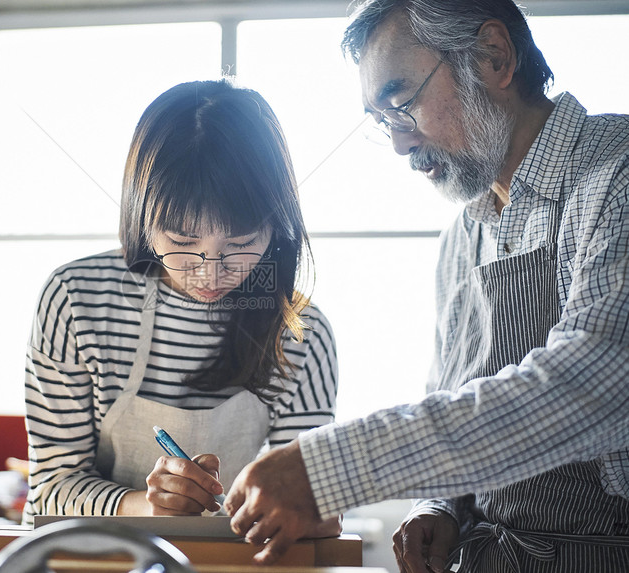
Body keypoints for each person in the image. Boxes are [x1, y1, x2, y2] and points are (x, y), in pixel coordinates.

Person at [224, 1, 629, 570]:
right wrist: (440, 505)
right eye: (381, 121)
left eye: (402, 103)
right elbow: (454, 393)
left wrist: (325, 467)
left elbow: (591, 387)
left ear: (494, 56)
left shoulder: (619, 177)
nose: (399, 144)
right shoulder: (464, 234)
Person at [22, 79, 339, 522]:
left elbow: (311, 494)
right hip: (87, 554)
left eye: (242, 242)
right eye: (183, 241)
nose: (210, 273)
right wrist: (144, 506)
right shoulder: (77, 299)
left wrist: (312, 507)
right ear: (142, 219)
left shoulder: (302, 332)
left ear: (278, 229)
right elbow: (50, 488)